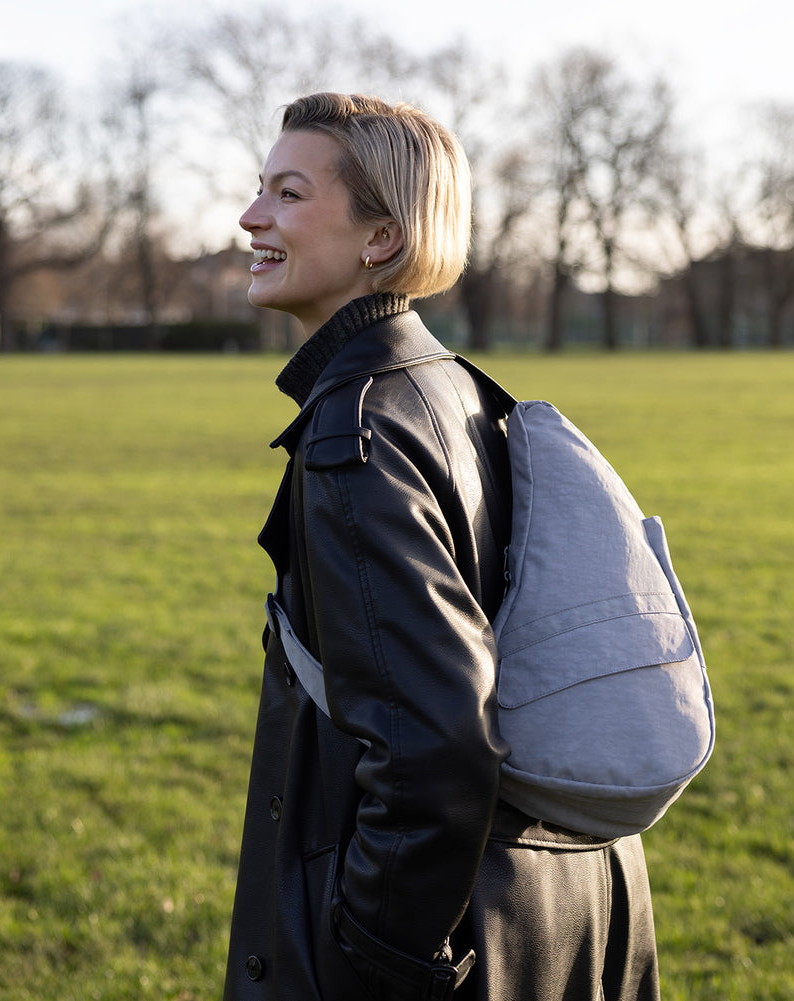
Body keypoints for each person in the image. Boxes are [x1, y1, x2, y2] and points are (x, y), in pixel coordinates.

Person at [223, 92, 660, 1001]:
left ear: (381, 236)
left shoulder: (356, 433)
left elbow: (437, 741)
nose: (251, 216)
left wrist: (377, 946)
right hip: (558, 896)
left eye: (289, 194)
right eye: (260, 188)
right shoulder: (456, 389)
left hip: (448, 938)